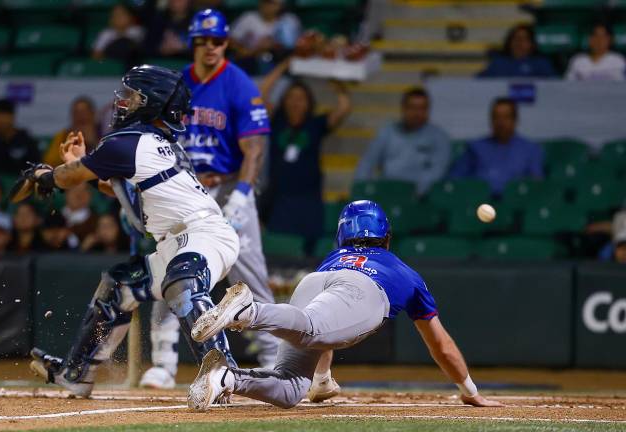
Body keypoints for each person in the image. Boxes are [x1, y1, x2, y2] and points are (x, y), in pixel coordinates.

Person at [28, 65, 241, 398]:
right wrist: (82, 164)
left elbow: (67, 179)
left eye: (133, 96)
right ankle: (76, 374)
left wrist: (48, 175)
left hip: (204, 235)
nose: (124, 102)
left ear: (152, 102)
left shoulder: (128, 141)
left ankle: (222, 376)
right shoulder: (149, 142)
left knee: (182, 282)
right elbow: (124, 193)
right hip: (182, 240)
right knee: (119, 285)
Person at [187, 200, 504, 410]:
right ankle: (246, 311)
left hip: (315, 280)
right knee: (311, 329)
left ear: (342, 234)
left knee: (292, 388)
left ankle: (223, 378)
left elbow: (329, 329)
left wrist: (321, 381)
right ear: (387, 237)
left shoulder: (334, 257)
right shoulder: (406, 273)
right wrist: (469, 389)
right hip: (362, 292)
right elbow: (441, 345)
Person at [137, 9, 280, 390]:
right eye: (203, 40)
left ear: (226, 43)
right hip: (185, 189)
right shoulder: (177, 83)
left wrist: (244, 195)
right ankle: (164, 363)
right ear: (193, 44)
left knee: (248, 274)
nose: (211, 47)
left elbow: (254, 149)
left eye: (217, 40)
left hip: (230, 185)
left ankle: (272, 356)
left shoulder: (239, 84)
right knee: (174, 268)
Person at [259, 57, 351, 251]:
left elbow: (344, 107)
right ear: (284, 102)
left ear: (309, 103)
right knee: (280, 252)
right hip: (279, 200)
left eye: (301, 98)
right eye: (291, 97)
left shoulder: (315, 124)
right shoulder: (277, 122)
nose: (295, 103)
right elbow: (261, 93)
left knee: (308, 256)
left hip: (310, 201)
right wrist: (285, 64)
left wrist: (330, 72)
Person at [354, 88, 451, 194]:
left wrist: (413, 192)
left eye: (422, 108)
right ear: (403, 108)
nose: (417, 113)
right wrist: (360, 189)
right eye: (412, 108)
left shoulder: (439, 137)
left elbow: (437, 171)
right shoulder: (387, 132)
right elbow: (367, 162)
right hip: (387, 190)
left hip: (421, 196)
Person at [450, 97, 543, 195]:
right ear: (491, 120)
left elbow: (536, 185)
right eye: (496, 117)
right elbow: (455, 181)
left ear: (515, 120)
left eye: (506, 117)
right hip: (479, 204)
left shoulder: (530, 149)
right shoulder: (475, 148)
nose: (501, 122)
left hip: (516, 204)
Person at [229, 0, 300, 73]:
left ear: (280, 6)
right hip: (250, 61)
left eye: (270, 3)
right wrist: (246, 50)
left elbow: (293, 47)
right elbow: (230, 39)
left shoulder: (289, 20)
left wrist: (273, 44)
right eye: (264, 1)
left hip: (278, 62)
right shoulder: (249, 17)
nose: (265, 5)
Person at [0, 98, 40, 176]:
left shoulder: (26, 140)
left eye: (5, 116)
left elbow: (36, 167)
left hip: (24, 183)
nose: (2, 120)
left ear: (12, 116)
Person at [478, 24, 556, 78]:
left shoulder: (541, 64)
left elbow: (554, 86)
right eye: (515, 38)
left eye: (524, 39)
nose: (519, 42)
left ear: (532, 43)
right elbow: (478, 83)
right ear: (509, 42)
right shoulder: (498, 63)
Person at [43, 97, 100, 167]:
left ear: (93, 114)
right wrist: (66, 151)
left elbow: (109, 161)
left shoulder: (103, 133)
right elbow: (49, 164)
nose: (80, 116)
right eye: (76, 113)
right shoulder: (63, 135)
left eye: (84, 112)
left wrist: (93, 143)